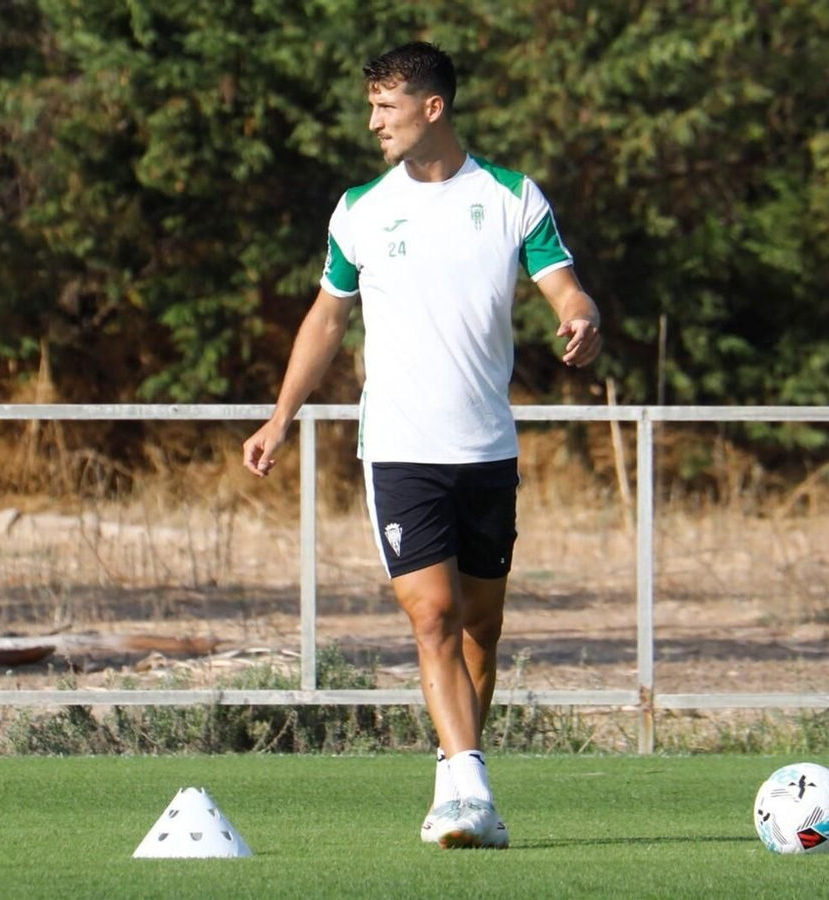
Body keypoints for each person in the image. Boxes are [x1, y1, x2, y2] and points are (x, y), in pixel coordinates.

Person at [241, 41, 601, 850]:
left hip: (487, 452)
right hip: (400, 450)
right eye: (371, 105)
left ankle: (455, 776)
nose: (373, 121)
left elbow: (561, 282)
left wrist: (582, 315)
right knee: (431, 616)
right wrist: (280, 416)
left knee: (481, 627)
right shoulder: (359, 210)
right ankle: (471, 787)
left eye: (386, 106)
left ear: (431, 108)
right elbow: (327, 318)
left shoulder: (512, 198)